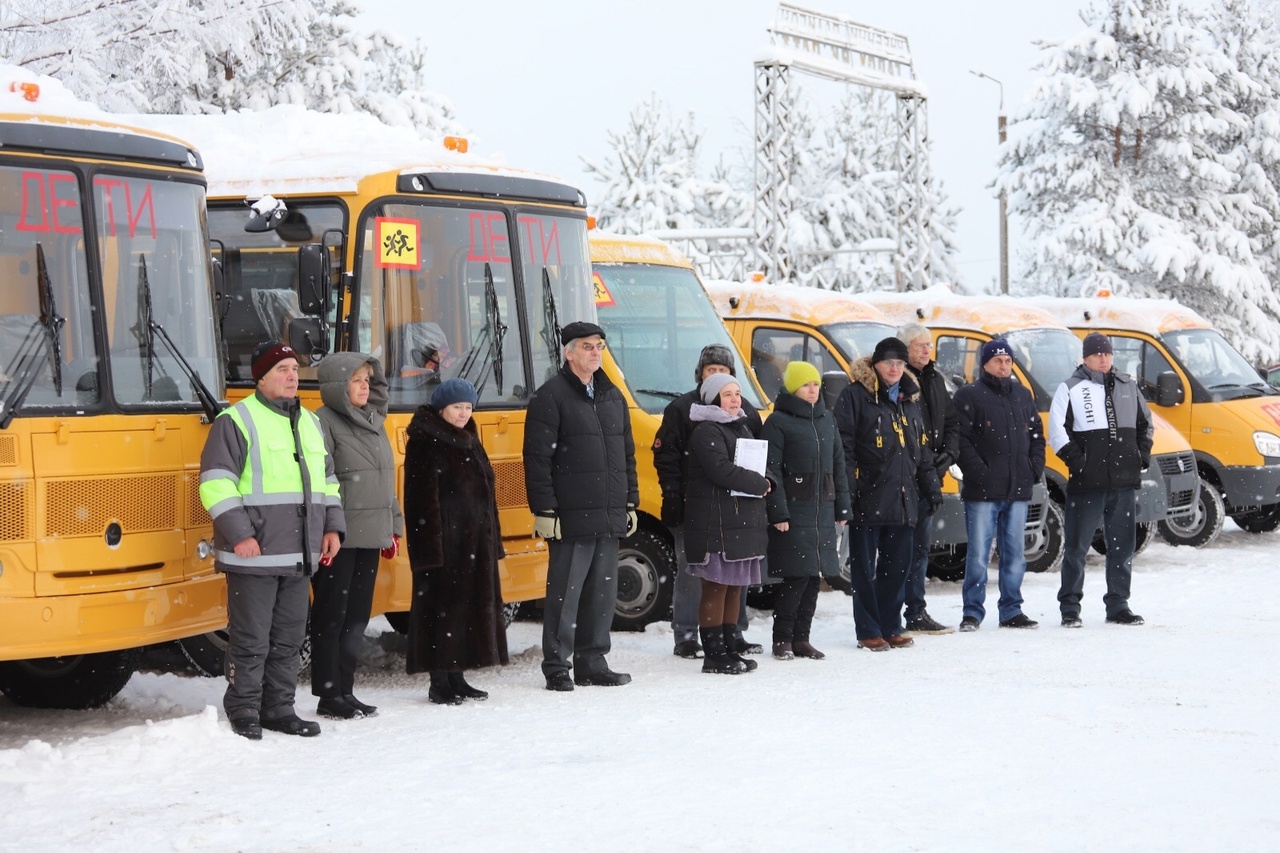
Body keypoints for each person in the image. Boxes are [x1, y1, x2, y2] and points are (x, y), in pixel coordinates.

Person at [199, 341, 344, 740]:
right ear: (260, 378)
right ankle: (243, 708)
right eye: (282, 369)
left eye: (294, 369)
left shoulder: (310, 423)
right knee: (250, 639)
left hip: (299, 556)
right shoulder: (236, 420)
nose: (292, 376)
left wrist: (332, 527)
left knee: (289, 640)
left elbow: (328, 483)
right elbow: (215, 484)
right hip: (253, 555)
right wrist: (240, 535)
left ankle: (278, 708)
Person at [524, 321, 639, 692]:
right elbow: (537, 459)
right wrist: (544, 510)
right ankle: (557, 665)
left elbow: (627, 455)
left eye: (599, 346)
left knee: (601, 594)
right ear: (568, 352)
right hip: (570, 515)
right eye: (587, 346)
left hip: (608, 512)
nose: (595, 352)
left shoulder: (613, 397)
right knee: (565, 595)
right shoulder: (550, 397)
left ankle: (593, 661)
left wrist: (630, 501)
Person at [653, 344, 763, 660]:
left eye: (723, 371)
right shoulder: (683, 409)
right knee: (694, 571)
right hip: (696, 505)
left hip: (737, 507)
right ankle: (686, 635)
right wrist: (672, 494)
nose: (717, 375)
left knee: (735, 573)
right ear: (701, 375)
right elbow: (667, 456)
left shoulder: (745, 412)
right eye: (710, 370)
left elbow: (757, 453)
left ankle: (734, 634)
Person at [403, 378, 510, 704]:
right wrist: (428, 551)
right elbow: (419, 500)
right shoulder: (425, 441)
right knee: (443, 611)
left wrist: (494, 542)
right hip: (444, 545)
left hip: (474, 543)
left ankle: (458, 676)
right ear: (441, 409)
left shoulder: (469, 438)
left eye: (467, 407)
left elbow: (486, 495)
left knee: (465, 611)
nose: (464, 413)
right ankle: (440, 682)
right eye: (457, 407)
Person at [308, 353, 402, 720]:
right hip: (340, 538)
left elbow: (385, 481)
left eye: (368, 379)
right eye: (357, 380)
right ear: (337, 385)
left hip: (370, 536)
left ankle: (346, 689)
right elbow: (322, 480)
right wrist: (329, 527)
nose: (365, 386)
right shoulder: (323, 422)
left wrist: (393, 525)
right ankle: (329, 694)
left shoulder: (374, 423)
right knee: (331, 615)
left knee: (357, 617)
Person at [835, 337, 941, 652]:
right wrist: (848, 490)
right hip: (867, 496)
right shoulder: (855, 396)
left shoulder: (908, 399)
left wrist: (931, 485)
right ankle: (868, 629)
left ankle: (890, 626)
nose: (894, 368)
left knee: (897, 567)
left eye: (899, 363)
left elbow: (920, 450)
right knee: (865, 570)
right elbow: (844, 447)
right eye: (888, 363)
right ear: (876, 364)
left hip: (904, 497)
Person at [1049, 332, 1153, 628]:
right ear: (1085, 358)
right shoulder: (1069, 388)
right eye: (1096, 354)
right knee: (1076, 549)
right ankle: (1070, 607)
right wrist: (1078, 462)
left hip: (1123, 483)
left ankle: (1118, 604)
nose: (1103, 359)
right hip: (1087, 484)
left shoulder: (1128, 386)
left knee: (1122, 547)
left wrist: (1141, 456)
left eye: (1107, 354)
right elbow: (1056, 432)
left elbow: (1146, 425)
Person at [951, 339, 1046, 632]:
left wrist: (1034, 467)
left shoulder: (1022, 394)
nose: (1003, 367)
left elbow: (1036, 435)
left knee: (1015, 553)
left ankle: (1011, 609)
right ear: (985, 363)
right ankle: (972, 612)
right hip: (982, 491)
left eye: (1007, 361)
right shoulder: (969, 396)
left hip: (1017, 489)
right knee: (979, 554)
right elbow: (960, 440)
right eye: (997, 361)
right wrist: (979, 472)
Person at [684, 373, 773, 674]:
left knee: (734, 586)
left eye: (737, 393)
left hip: (737, 521)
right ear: (712, 399)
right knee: (716, 586)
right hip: (715, 522)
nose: (735, 399)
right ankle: (714, 654)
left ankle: (729, 646)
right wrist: (758, 483)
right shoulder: (706, 430)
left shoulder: (741, 426)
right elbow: (721, 470)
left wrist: (767, 479)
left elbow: (756, 465)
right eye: (727, 394)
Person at [761, 361, 850, 660]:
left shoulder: (827, 419)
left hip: (822, 511)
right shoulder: (778, 422)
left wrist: (843, 506)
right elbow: (770, 470)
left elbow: (839, 465)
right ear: (792, 388)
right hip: (795, 511)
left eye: (815, 384)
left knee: (813, 576)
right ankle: (782, 639)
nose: (812, 390)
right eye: (805, 385)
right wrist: (779, 513)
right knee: (795, 577)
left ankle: (802, 639)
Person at [898, 322, 959, 635]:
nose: (927, 350)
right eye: (921, 345)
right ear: (906, 348)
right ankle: (892, 612)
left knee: (921, 549)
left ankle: (916, 610)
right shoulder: (898, 379)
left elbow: (951, 421)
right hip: (905, 476)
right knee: (900, 549)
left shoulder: (934, 378)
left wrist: (947, 455)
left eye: (929, 345)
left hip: (932, 475)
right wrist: (923, 463)